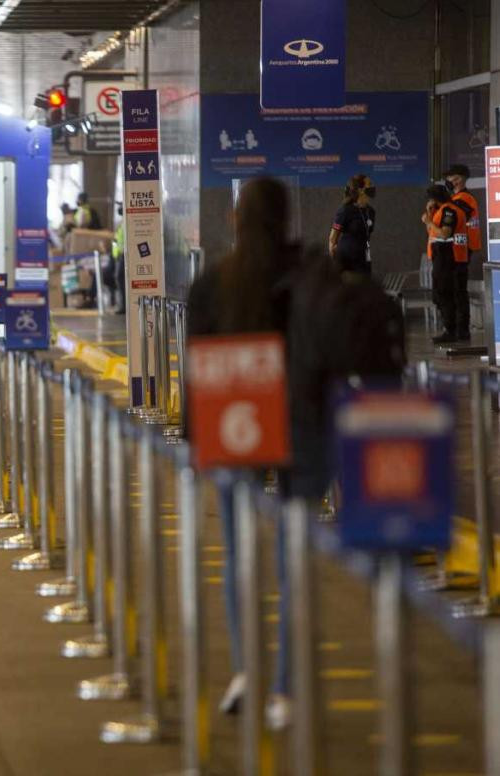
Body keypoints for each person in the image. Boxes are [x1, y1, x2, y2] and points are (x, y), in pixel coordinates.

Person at [187, 177, 297, 730]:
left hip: (235, 430)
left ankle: (245, 670)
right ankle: (285, 688)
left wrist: (195, 439)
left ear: (235, 218)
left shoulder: (213, 284)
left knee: (237, 552)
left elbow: (197, 366)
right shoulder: (307, 277)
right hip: (301, 433)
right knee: (291, 559)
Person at [423, 183, 469, 343]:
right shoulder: (441, 211)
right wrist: (430, 214)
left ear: (436, 199)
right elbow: (435, 232)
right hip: (444, 257)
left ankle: (452, 330)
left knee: (446, 293)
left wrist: (428, 222)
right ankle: (455, 330)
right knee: (444, 293)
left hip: (449, 256)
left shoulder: (449, 211)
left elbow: (444, 233)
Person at [328, 174, 375, 275]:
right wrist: (335, 258)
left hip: (364, 257)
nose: (372, 187)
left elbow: (367, 234)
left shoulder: (371, 211)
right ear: (360, 190)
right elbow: (332, 238)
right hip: (346, 260)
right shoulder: (345, 210)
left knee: (365, 286)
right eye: (369, 184)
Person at [446, 163, 481, 262]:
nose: (448, 180)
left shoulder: (464, 198)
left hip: (461, 246)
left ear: (458, 179)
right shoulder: (459, 197)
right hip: (461, 244)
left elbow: (453, 219)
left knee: (456, 275)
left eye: (450, 177)